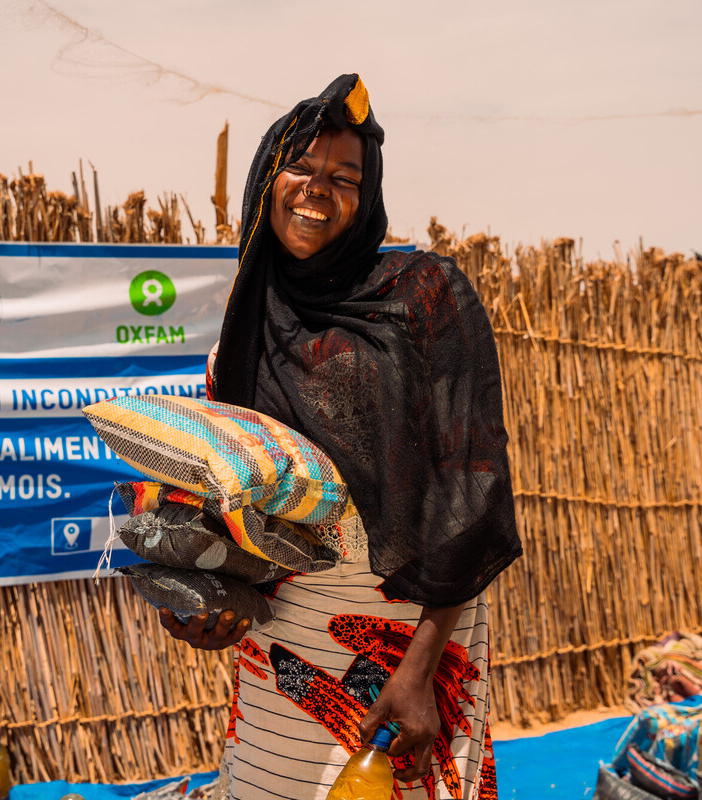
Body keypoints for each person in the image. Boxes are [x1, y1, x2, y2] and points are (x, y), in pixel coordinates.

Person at [158, 74, 522, 800]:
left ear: (368, 194)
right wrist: (203, 604)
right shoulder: (243, 332)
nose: (317, 188)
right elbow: (229, 498)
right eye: (300, 168)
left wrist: (418, 672)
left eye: (343, 176)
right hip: (284, 634)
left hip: (410, 633)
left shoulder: (421, 298)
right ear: (268, 177)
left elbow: (468, 493)